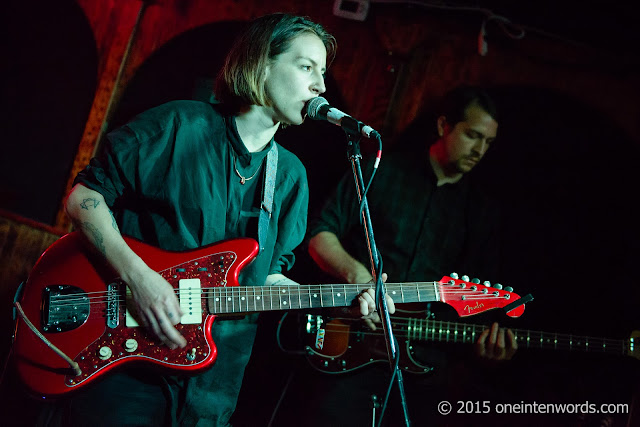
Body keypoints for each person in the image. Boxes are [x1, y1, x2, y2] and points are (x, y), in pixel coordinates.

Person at [11, 12, 388, 427]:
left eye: (323, 72)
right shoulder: (178, 126)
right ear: (262, 64)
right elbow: (84, 197)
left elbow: (265, 279)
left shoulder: (291, 177)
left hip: (211, 390)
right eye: (306, 67)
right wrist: (139, 279)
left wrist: (338, 303)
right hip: (124, 368)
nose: (320, 85)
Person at [270, 85, 517, 426]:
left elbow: (479, 299)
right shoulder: (380, 170)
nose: (480, 150)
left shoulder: (482, 211)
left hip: (427, 371)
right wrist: (358, 276)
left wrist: (486, 347)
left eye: (488, 143)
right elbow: (319, 234)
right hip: (352, 340)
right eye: (473, 136)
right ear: (444, 125)